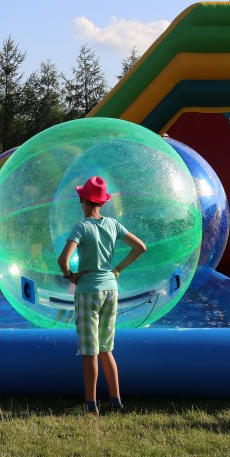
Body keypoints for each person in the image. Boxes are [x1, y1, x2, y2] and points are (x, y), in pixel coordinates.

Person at [57, 176, 146, 416]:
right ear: (103, 203)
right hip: (111, 289)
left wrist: (70, 276)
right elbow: (140, 247)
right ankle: (116, 401)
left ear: (82, 200)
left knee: (89, 350)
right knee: (107, 348)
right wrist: (117, 269)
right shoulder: (113, 225)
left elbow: (63, 260)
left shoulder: (81, 227)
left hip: (88, 291)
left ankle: (91, 405)